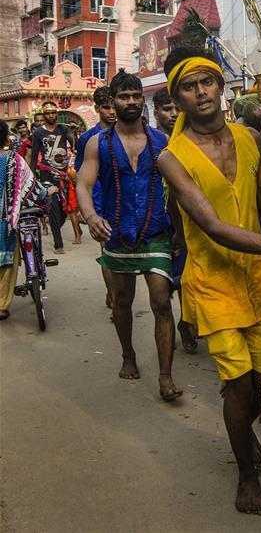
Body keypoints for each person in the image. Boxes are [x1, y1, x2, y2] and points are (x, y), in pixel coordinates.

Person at [156, 47, 261, 515]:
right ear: (178, 98)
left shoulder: (248, 136)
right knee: (237, 383)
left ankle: (243, 432)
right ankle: (247, 478)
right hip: (211, 281)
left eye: (208, 81)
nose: (201, 91)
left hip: (256, 278)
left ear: (221, 87)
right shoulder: (172, 157)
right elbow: (210, 225)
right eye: (189, 86)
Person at [76, 70, 181, 401]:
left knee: (162, 302)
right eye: (124, 97)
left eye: (136, 96)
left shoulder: (162, 142)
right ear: (113, 102)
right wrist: (90, 216)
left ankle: (165, 376)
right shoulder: (97, 143)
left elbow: (180, 187)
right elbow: (84, 183)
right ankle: (128, 356)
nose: (132, 102)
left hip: (156, 232)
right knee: (122, 301)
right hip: (117, 233)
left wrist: (182, 228)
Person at [1, 129, 55, 321]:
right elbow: (33, 186)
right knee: (8, 258)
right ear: (6, 138)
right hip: (7, 221)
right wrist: (47, 193)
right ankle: (1, 306)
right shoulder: (13, 160)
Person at [75, 86, 117, 311]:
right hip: (100, 202)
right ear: (98, 108)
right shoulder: (87, 139)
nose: (112, 112)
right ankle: (114, 296)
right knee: (107, 251)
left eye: (113, 106)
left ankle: (118, 295)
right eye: (106, 107)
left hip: (123, 201)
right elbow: (81, 176)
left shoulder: (127, 132)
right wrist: (87, 209)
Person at [27, 101, 73, 253]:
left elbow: (75, 143)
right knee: (53, 206)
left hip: (64, 174)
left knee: (64, 210)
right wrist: (32, 177)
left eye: (53, 113)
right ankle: (58, 245)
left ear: (57, 114)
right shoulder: (38, 133)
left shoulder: (64, 129)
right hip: (47, 173)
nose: (51, 116)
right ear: (44, 115)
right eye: (48, 113)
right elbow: (34, 157)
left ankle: (54, 227)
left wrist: (75, 134)